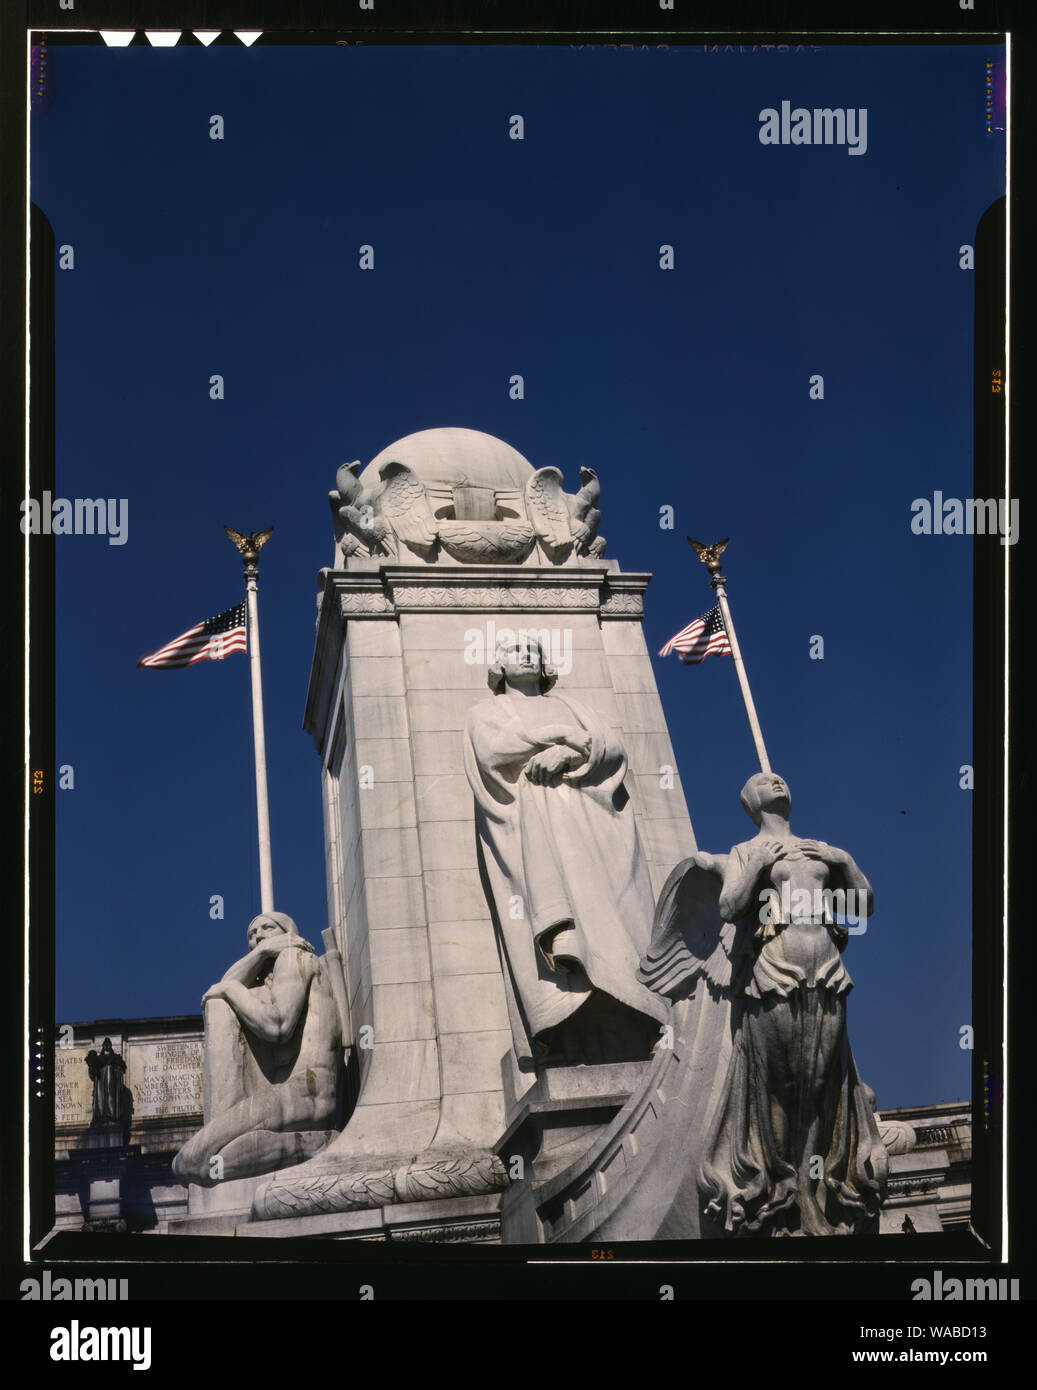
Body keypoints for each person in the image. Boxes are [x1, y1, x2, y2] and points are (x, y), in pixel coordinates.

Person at [692, 772, 888, 1235]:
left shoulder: (820, 849)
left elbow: (862, 906)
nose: (775, 783)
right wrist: (757, 866)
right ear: (751, 801)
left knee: (821, 1083)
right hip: (775, 966)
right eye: (764, 782)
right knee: (780, 1082)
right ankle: (778, 1190)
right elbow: (729, 907)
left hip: (827, 964)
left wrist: (845, 861)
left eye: (779, 779)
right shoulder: (747, 850)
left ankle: (814, 1191)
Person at [464, 636, 667, 1069]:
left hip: (593, 830)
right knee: (561, 921)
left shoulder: (577, 707)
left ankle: (642, 1007)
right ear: (498, 665)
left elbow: (610, 746)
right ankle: (566, 1018)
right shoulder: (486, 713)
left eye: (535, 651)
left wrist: (569, 757)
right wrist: (561, 737)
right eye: (516, 650)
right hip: (538, 836)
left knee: (617, 924)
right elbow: (494, 752)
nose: (527, 655)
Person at [173, 912, 341, 1186]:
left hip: (309, 1094)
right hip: (293, 1097)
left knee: (190, 1161)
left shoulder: (294, 958)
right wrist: (259, 955)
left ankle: (320, 1144)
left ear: (287, 932)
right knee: (196, 1164)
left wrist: (232, 990)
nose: (258, 936)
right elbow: (217, 993)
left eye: (267, 928)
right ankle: (313, 1143)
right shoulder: (268, 983)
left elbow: (278, 1025)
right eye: (252, 935)